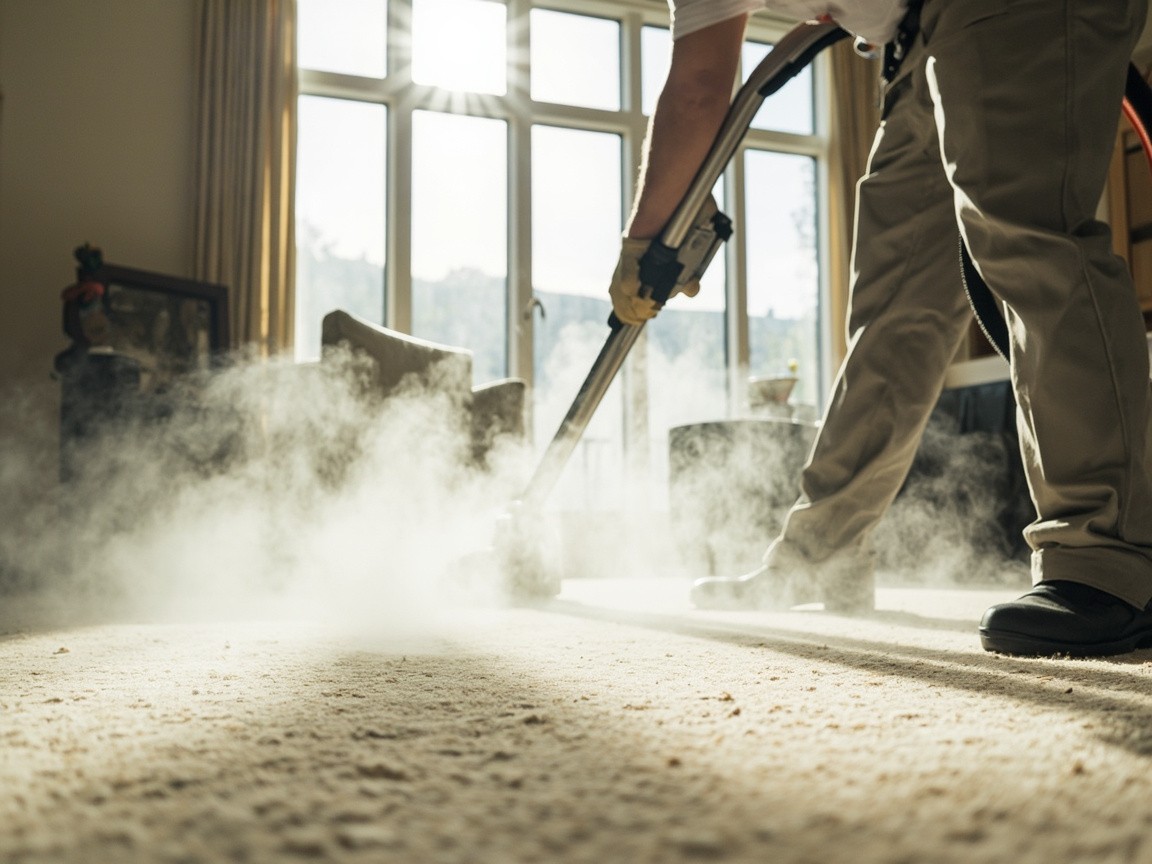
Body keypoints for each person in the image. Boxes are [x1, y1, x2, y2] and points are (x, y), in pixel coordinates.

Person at [610, 0, 1152, 657]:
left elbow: (698, 90)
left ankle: (1109, 557)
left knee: (1025, 231)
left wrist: (645, 242)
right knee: (893, 308)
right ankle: (824, 548)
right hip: (917, 42)